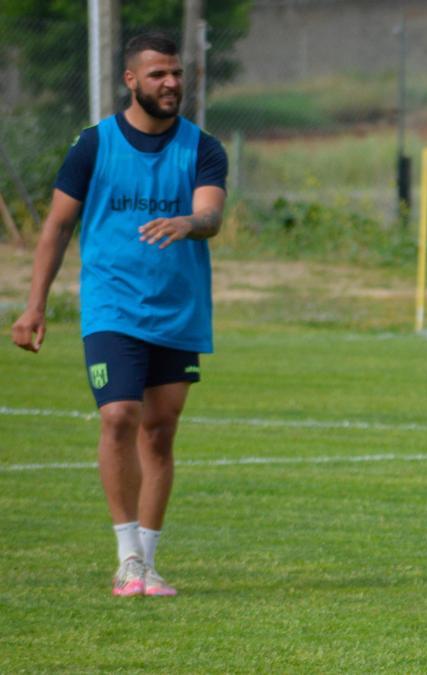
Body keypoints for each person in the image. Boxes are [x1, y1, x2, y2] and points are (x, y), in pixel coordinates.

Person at [10, 32, 228, 597]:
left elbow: (211, 215)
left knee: (159, 434)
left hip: (178, 311)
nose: (172, 83)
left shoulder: (203, 147)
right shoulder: (94, 144)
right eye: (158, 74)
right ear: (131, 80)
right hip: (111, 307)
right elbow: (57, 227)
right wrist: (34, 305)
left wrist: (189, 222)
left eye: (176, 73)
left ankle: (150, 564)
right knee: (118, 417)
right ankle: (126, 556)